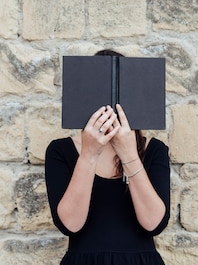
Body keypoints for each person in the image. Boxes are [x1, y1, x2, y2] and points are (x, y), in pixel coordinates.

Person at [45, 49, 170, 265]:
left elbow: (153, 223)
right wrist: (89, 153)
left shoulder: (154, 150)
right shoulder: (60, 151)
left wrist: (129, 154)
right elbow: (70, 225)